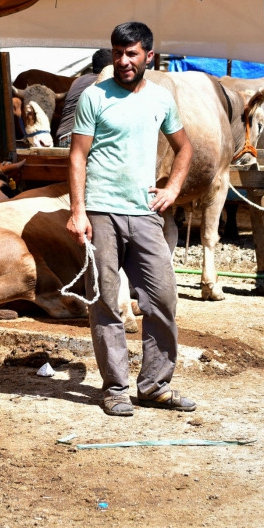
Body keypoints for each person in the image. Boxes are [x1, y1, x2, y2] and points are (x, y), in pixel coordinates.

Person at [66, 23, 195, 417]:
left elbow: (184, 147)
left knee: (162, 298)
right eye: (118, 53)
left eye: (132, 54)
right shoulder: (93, 97)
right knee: (106, 302)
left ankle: (155, 386)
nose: (123, 61)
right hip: (102, 211)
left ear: (148, 57)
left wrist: (172, 189)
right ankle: (116, 388)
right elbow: (77, 156)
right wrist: (77, 211)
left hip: (144, 213)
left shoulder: (161, 98)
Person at [55, 48, 112, 146]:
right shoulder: (107, 82)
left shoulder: (78, 81)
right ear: (109, 66)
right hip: (83, 138)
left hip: (63, 138)